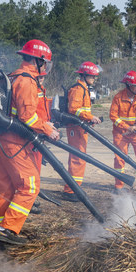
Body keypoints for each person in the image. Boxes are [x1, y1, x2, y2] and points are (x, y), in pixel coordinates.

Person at [0, 39, 59, 246]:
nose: (46, 66)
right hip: (15, 142)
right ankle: (7, 229)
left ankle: (3, 230)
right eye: (45, 62)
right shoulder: (27, 81)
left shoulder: (14, 76)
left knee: (5, 187)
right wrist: (48, 129)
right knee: (30, 186)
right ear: (38, 60)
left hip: (3, 140)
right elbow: (27, 118)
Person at [60, 61, 102, 199]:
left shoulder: (83, 89)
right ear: (84, 75)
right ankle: (71, 191)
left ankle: (74, 189)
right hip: (75, 128)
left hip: (80, 127)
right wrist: (89, 116)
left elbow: (81, 111)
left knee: (79, 157)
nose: (94, 79)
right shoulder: (78, 89)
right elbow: (74, 109)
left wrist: (90, 119)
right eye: (92, 76)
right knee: (77, 158)